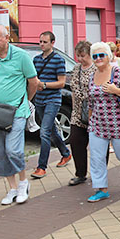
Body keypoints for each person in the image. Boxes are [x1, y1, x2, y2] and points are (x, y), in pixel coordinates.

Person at [0, 25, 38, 205]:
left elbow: (33, 82)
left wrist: (25, 101)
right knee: (0, 153)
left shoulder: (21, 56)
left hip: (17, 111)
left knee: (13, 150)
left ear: (7, 37)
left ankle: (23, 183)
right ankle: (12, 188)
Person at [85, 42, 120, 202]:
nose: (98, 58)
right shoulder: (91, 76)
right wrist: (89, 121)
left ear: (108, 56)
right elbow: (90, 101)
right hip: (97, 124)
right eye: (95, 56)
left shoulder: (118, 73)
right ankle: (101, 189)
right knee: (96, 156)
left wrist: (115, 90)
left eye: (101, 55)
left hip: (119, 123)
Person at [30, 32, 72, 179]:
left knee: (45, 132)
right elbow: (33, 79)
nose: (42, 44)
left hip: (53, 100)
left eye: (45, 42)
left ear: (52, 43)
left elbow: (61, 82)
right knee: (52, 130)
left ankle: (42, 167)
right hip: (39, 100)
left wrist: (45, 85)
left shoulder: (59, 60)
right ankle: (66, 154)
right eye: (40, 42)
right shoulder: (36, 60)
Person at [69, 41, 95, 186]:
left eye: (83, 56)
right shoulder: (76, 68)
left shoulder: (97, 68)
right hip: (78, 112)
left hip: (94, 112)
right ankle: (80, 173)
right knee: (76, 142)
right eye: (78, 55)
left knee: (98, 145)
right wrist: (75, 110)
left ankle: (99, 173)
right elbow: (73, 90)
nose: (80, 59)